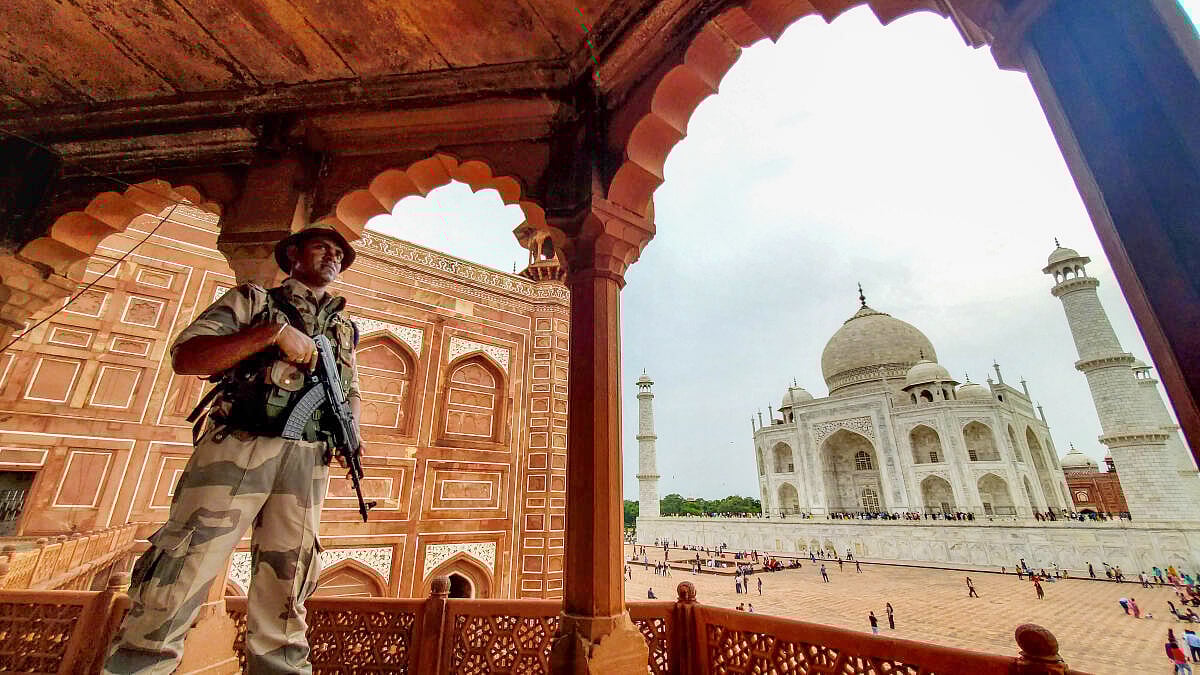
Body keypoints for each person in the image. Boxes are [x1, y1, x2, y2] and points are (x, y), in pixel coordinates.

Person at [102, 224, 361, 674]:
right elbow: (189, 356)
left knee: (288, 581)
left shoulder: (344, 328)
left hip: (306, 458)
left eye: (341, 252)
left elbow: (351, 387)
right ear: (293, 253)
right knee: (186, 565)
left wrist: (351, 430)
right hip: (240, 446)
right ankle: (139, 666)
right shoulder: (256, 302)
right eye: (323, 246)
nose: (334, 255)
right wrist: (270, 336)